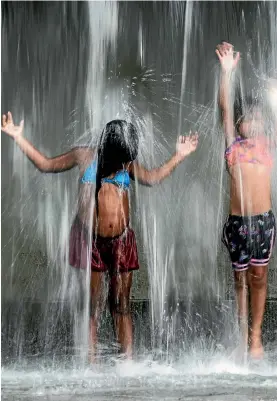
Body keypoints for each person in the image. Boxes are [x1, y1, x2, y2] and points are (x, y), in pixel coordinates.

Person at [1, 112, 198, 361]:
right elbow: (46, 165)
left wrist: (179, 155)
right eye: (122, 159)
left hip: (121, 241)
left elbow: (153, 178)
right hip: (90, 241)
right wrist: (19, 138)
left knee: (121, 304)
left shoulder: (126, 163)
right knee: (91, 306)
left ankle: (127, 363)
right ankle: (90, 364)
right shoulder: (84, 156)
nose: (124, 164)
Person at [215, 41, 277, 359]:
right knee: (240, 280)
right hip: (238, 223)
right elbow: (224, 109)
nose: (253, 124)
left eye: (259, 119)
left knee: (260, 277)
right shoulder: (233, 146)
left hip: (263, 222)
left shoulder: (268, 145)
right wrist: (227, 73)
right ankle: (242, 333)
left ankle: (255, 336)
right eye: (248, 120)